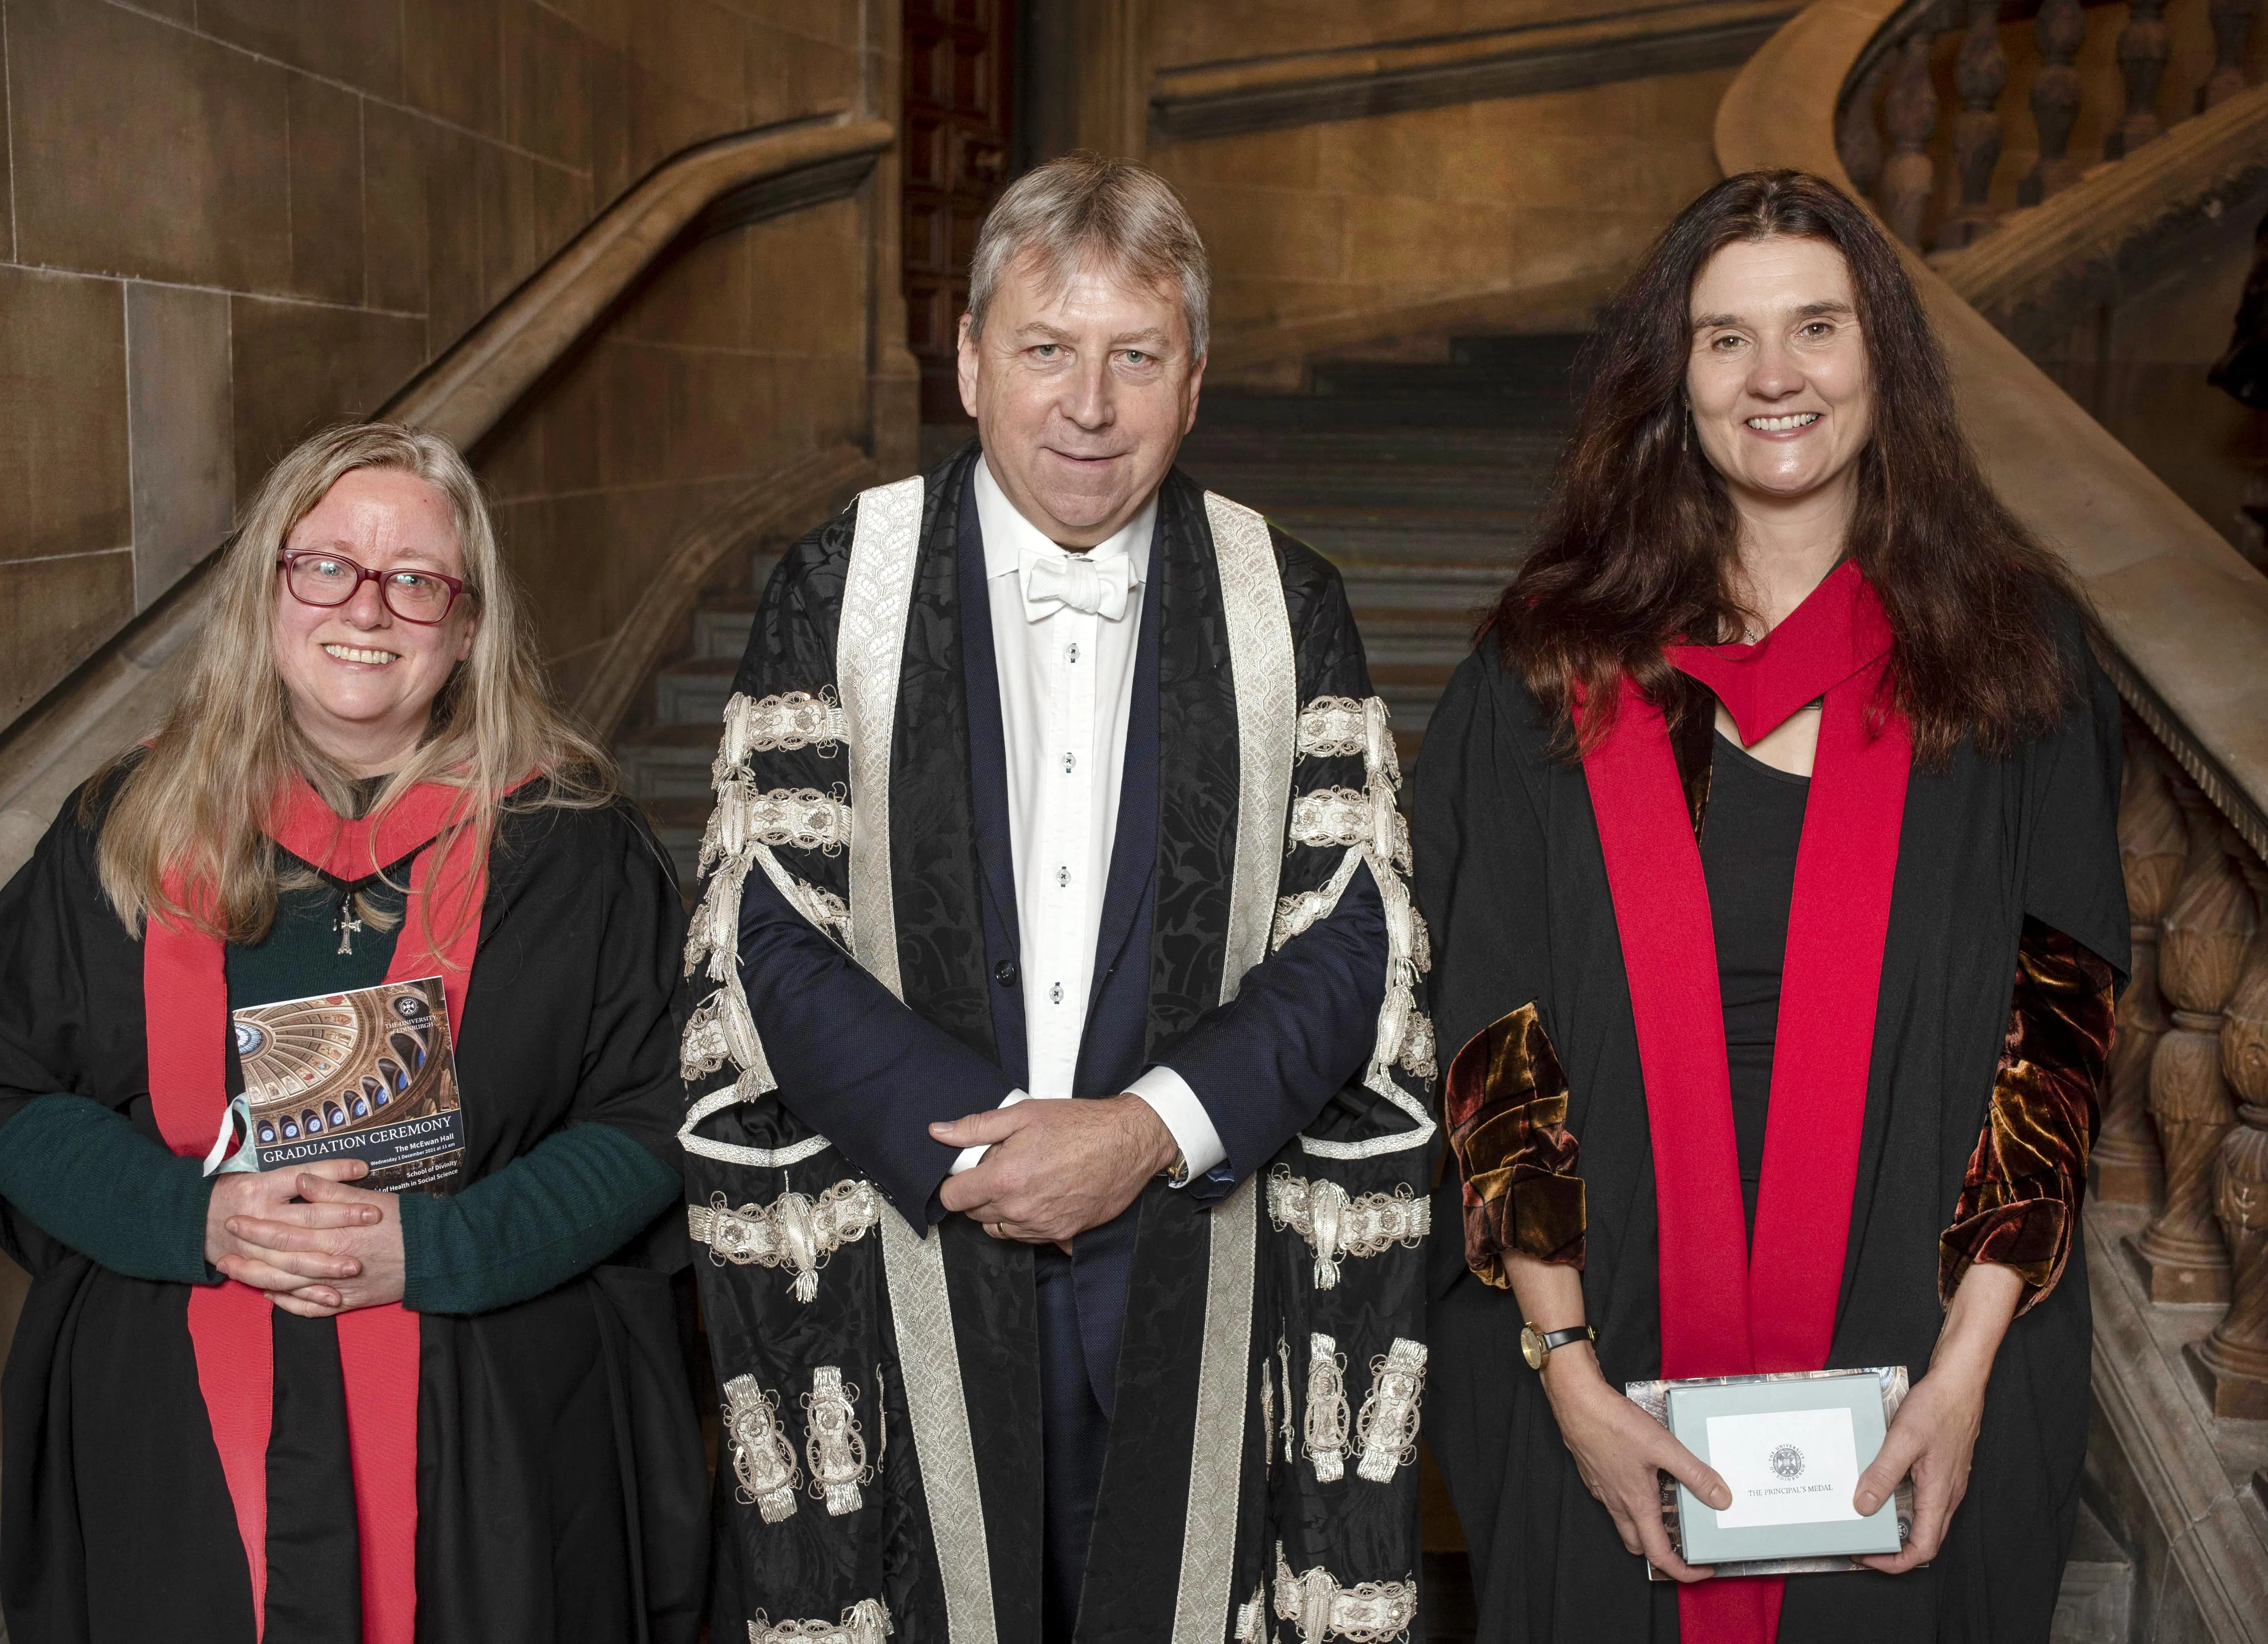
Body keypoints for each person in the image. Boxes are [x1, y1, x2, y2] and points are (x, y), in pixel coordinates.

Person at [677, 154, 1438, 1644]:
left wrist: (1145, 1129)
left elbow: (1354, 936)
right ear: (969, 361)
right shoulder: (839, 584)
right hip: (915, 1244)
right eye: (1046, 349)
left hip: (1197, 1252)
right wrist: (985, 1154)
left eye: (1135, 357)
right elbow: (770, 922)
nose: (1089, 404)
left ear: (1193, 383)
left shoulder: (1291, 600)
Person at [1415, 170, 2124, 1644]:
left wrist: (1964, 1373)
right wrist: (1567, 1370)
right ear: (1673, 378)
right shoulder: (1546, 670)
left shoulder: (2012, 663)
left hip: (1918, 1368)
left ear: (1887, 360)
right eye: (1726, 338)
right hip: (1612, 1359)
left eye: (1819, 325)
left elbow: (2053, 1038)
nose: (1777, 375)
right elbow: (1492, 1031)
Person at [0, 424, 707, 1644]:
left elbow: (654, 1112)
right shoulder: (128, 824)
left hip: (491, 1449)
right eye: (326, 566)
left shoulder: (573, 845)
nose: (369, 606)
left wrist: (447, 1247)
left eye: (415, 577)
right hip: (184, 1445)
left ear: (465, 623)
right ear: (269, 589)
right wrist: (190, 1217)